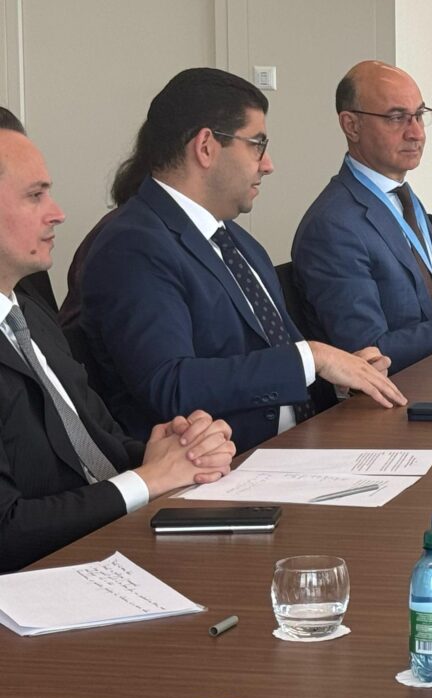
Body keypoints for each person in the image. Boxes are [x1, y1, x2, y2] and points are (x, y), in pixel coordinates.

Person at [77, 68, 407, 452]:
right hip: (225, 466)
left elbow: (280, 364)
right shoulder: (132, 246)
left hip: (301, 447)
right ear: (206, 147)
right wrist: (312, 357)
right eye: (257, 144)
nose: (268, 164)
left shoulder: (237, 240)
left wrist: (343, 379)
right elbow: (169, 384)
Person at [0, 111, 235, 573]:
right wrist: (148, 480)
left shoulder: (27, 310)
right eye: (35, 195)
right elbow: (6, 531)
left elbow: (95, 439)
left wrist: (177, 450)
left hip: (111, 545)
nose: (57, 213)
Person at [291, 62, 432, 372]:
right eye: (396, 118)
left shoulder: (403, 196)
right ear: (351, 125)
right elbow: (370, 356)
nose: (416, 133)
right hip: (402, 389)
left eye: (419, 115)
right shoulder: (332, 226)